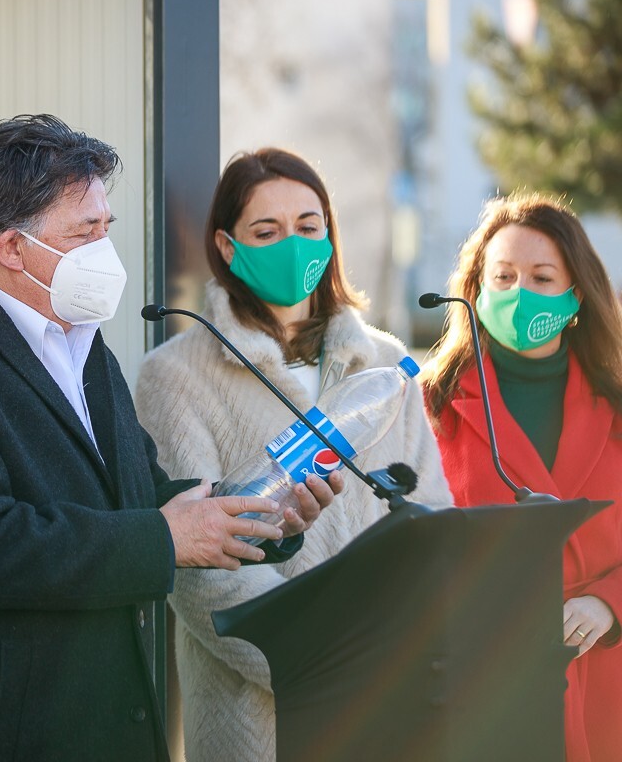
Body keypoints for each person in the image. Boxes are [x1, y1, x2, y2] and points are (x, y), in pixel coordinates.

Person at [0, 116, 340, 761]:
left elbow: (139, 490)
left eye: (105, 229)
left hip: (108, 723)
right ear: (11, 247)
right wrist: (166, 537)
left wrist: (259, 508)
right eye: (84, 234)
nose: (103, 252)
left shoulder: (80, 340)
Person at [135, 147, 452, 762]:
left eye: (309, 227)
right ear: (228, 248)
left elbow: (431, 518)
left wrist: (399, 654)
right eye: (267, 231)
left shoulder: (387, 366)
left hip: (388, 701)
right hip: (258, 720)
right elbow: (194, 569)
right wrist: (321, 663)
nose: (294, 245)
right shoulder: (173, 378)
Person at [420, 192, 622, 762]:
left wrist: (609, 603)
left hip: (604, 687)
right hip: (476, 686)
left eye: (541, 277)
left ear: (575, 294)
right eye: (503, 277)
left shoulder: (618, 407)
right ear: (476, 289)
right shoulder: (429, 407)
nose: (519, 293)